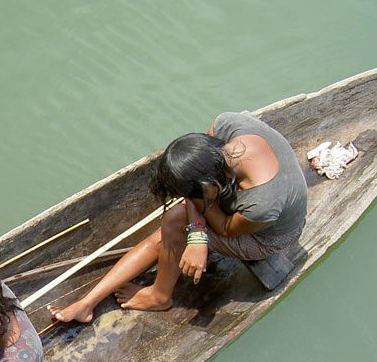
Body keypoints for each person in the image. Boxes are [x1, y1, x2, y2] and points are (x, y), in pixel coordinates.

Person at [48, 111, 308, 320]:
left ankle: (160, 297)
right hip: (233, 204)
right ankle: (86, 304)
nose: (189, 198)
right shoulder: (224, 126)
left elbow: (228, 228)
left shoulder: (262, 202)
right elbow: (194, 194)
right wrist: (197, 231)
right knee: (174, 225)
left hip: (264, 237)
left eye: (196, 194)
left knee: (172, 225)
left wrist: (196, 237)